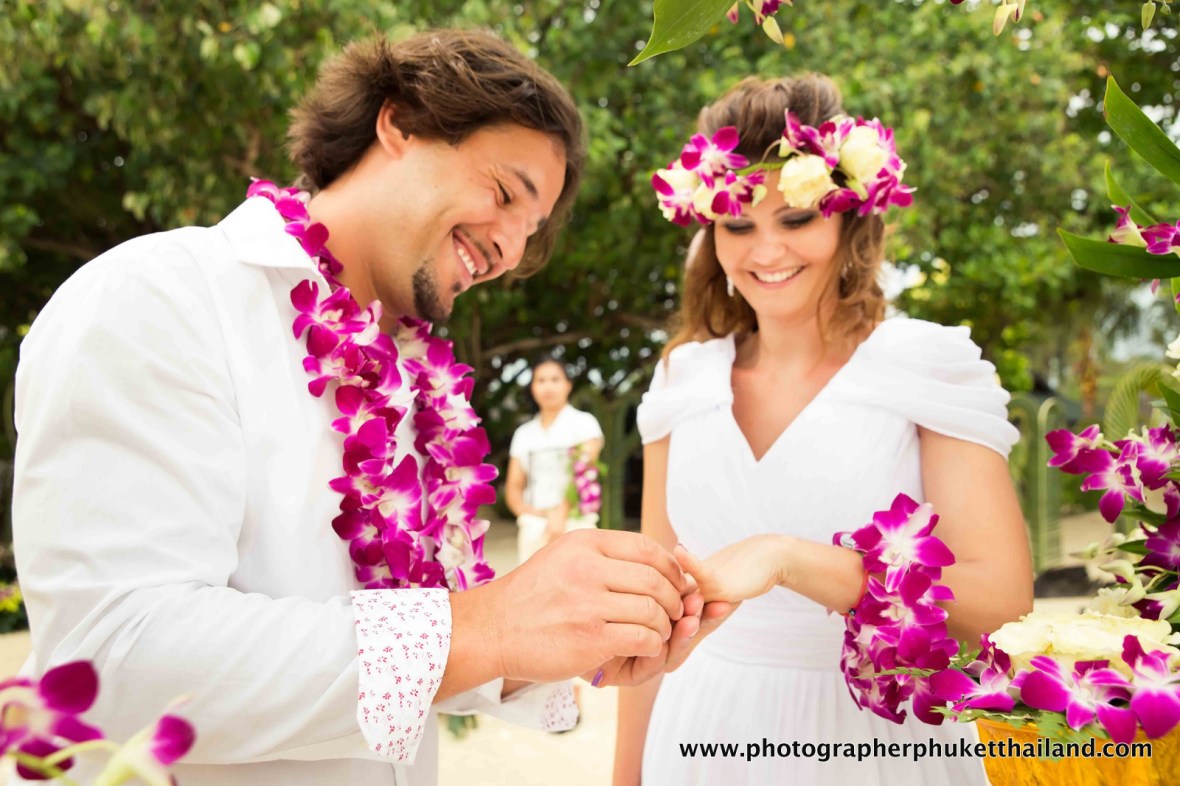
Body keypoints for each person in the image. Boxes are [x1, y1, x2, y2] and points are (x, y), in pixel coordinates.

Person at [12, 30, 718, 786]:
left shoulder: (410, 381)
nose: (511, 253)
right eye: (506, 194)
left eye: (531, 231)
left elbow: (411, 646)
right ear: (399, 122)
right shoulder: (161, 295)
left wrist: (562, 637)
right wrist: (492, 624)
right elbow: (113, 660)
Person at [614, 74, 1034, 785]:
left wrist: (792, 560)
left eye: (796, 219)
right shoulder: (683, 380)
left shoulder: (924, 366)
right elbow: (650, 626)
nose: (765, 251)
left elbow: (1001, 600)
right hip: (700, 733)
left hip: (872, 739)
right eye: (738, 226)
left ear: (849, 220)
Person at [505, 357, 604, 564]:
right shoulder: (524, 433)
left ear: (568, 384)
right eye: (541, 381)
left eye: (555, 379)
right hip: (534, 527)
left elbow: (583, 473)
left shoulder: (584, 424)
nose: (548, 387)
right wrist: (531, 514)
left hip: (575, 525)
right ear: (532, 387)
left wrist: (559, 515)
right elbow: (514, 485)